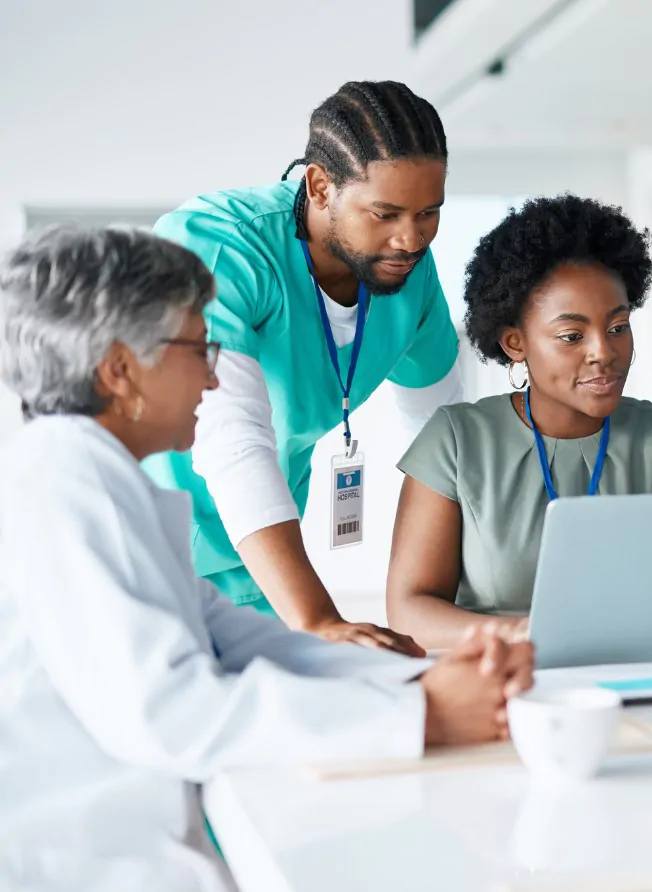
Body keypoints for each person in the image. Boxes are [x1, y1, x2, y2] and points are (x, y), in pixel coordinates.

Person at [0, 227, 533, 891]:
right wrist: (421, 716)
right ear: (118, 370)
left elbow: (236, 641)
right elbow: (171, 712)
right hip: (85, 865)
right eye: (199, 348)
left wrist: (421, 679)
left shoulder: (99, 477)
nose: (214, 373)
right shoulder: (64, 479)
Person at [142, 81, 462, 656]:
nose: (411, 238)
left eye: (429, 213)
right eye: (385, 213)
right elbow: (229, 436)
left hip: (257, 571)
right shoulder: (224, 247)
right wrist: (316, 618)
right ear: (319, 186)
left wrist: (451, 596)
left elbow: (443, 440)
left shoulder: (408, 271)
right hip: (146, 554)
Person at [386, 195, 652, 650]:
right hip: (500, 681)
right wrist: (526, 635)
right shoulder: (457, 440)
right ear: (515, 342)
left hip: (639, 673)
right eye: (571, 336)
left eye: (618, 327)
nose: (604, 351)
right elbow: (409, 610)